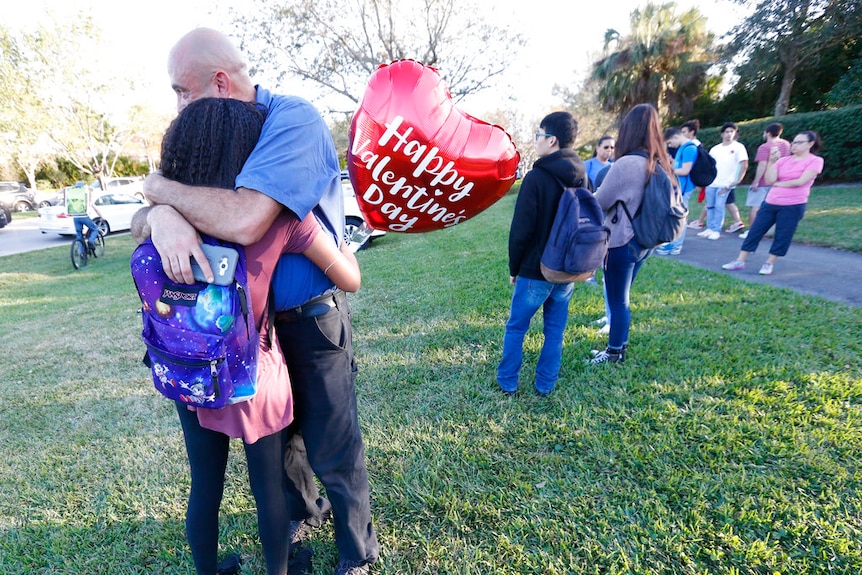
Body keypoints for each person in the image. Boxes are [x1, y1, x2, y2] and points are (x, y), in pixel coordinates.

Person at [131, 28, 379, 575]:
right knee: (281, 455)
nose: (178, 106)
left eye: (182, 92)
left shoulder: (292, 120)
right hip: (247, 343)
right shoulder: (213, 143)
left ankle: (355, 554)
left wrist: (161, 193)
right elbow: (152, 220)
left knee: (333, 446)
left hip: (305, 323)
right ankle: (297, 522)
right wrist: (160, 215)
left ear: (219, 83)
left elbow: (245, 219)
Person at [496, 111, 587, 397]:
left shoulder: (536, 177)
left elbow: (521, 229)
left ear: (552, 140)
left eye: (538, 135)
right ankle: (545, 384)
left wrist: (514, 267)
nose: (536, 141)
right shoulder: (583, 175)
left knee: (516, 328)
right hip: (569, 269)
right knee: (555, 332)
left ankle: (508, 382)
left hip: (536, 270)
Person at [590, 103, 677, 364]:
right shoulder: (659, 162)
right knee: (622, 297)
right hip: (644, 242)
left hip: (621, 241)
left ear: (628, 131)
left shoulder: (627, 163)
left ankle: (614, 352)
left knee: (618, 300)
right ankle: (619, 345)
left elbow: (600, 202)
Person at [722, 131, 824, 275]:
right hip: (771, 202)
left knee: (783, 234)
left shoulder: (816, 161)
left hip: (793, 204)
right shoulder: (783, 160)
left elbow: (800, 181)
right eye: (793, 142)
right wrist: (772, 161)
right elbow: (769, 180)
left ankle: (769, 263)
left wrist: (778, 184)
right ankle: (740, 260)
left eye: (799, 142)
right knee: (755, 230)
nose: (794, 145)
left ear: (810, 144)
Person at [697, 122, 748, 240]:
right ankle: (709, 228)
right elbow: (709, 165)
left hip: (726, 183)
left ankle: (716, 230)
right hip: (712, 182)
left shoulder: (738, 147)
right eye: (726, 132)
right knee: (710, 205)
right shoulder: (715, 149)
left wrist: (737, 180)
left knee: (720, 206)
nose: (729, 134)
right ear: (722, 134)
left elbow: (743, 164)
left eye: (731, 131)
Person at [740, 122, 791, 239]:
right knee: (774, 206)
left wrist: (756, 181)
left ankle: (752, 231)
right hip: (779, 180)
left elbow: (762, 165)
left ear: (768, 133)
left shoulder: (765, 147)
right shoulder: (786, 145)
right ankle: (770, 231)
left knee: (755, 206)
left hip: (764, 181)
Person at [655, 127, 698, 255]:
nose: (670, 146)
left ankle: (676, 245)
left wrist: (668, 172)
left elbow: (685, 170)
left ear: (675, 137)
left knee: (680, 217)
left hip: (684, 188)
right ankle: (672, 243)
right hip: (679, 187)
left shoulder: (690, 148)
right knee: (674, 215)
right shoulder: (683, 148)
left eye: (669, 143)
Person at [69, 183, 102, 252]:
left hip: (76, 218)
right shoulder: (86, 197)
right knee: (94, 229)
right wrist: (101, 216)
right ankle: (90, 241)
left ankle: (81, 252)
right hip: (84, 217)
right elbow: (95, 209)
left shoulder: (73, 198)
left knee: (79, 234)